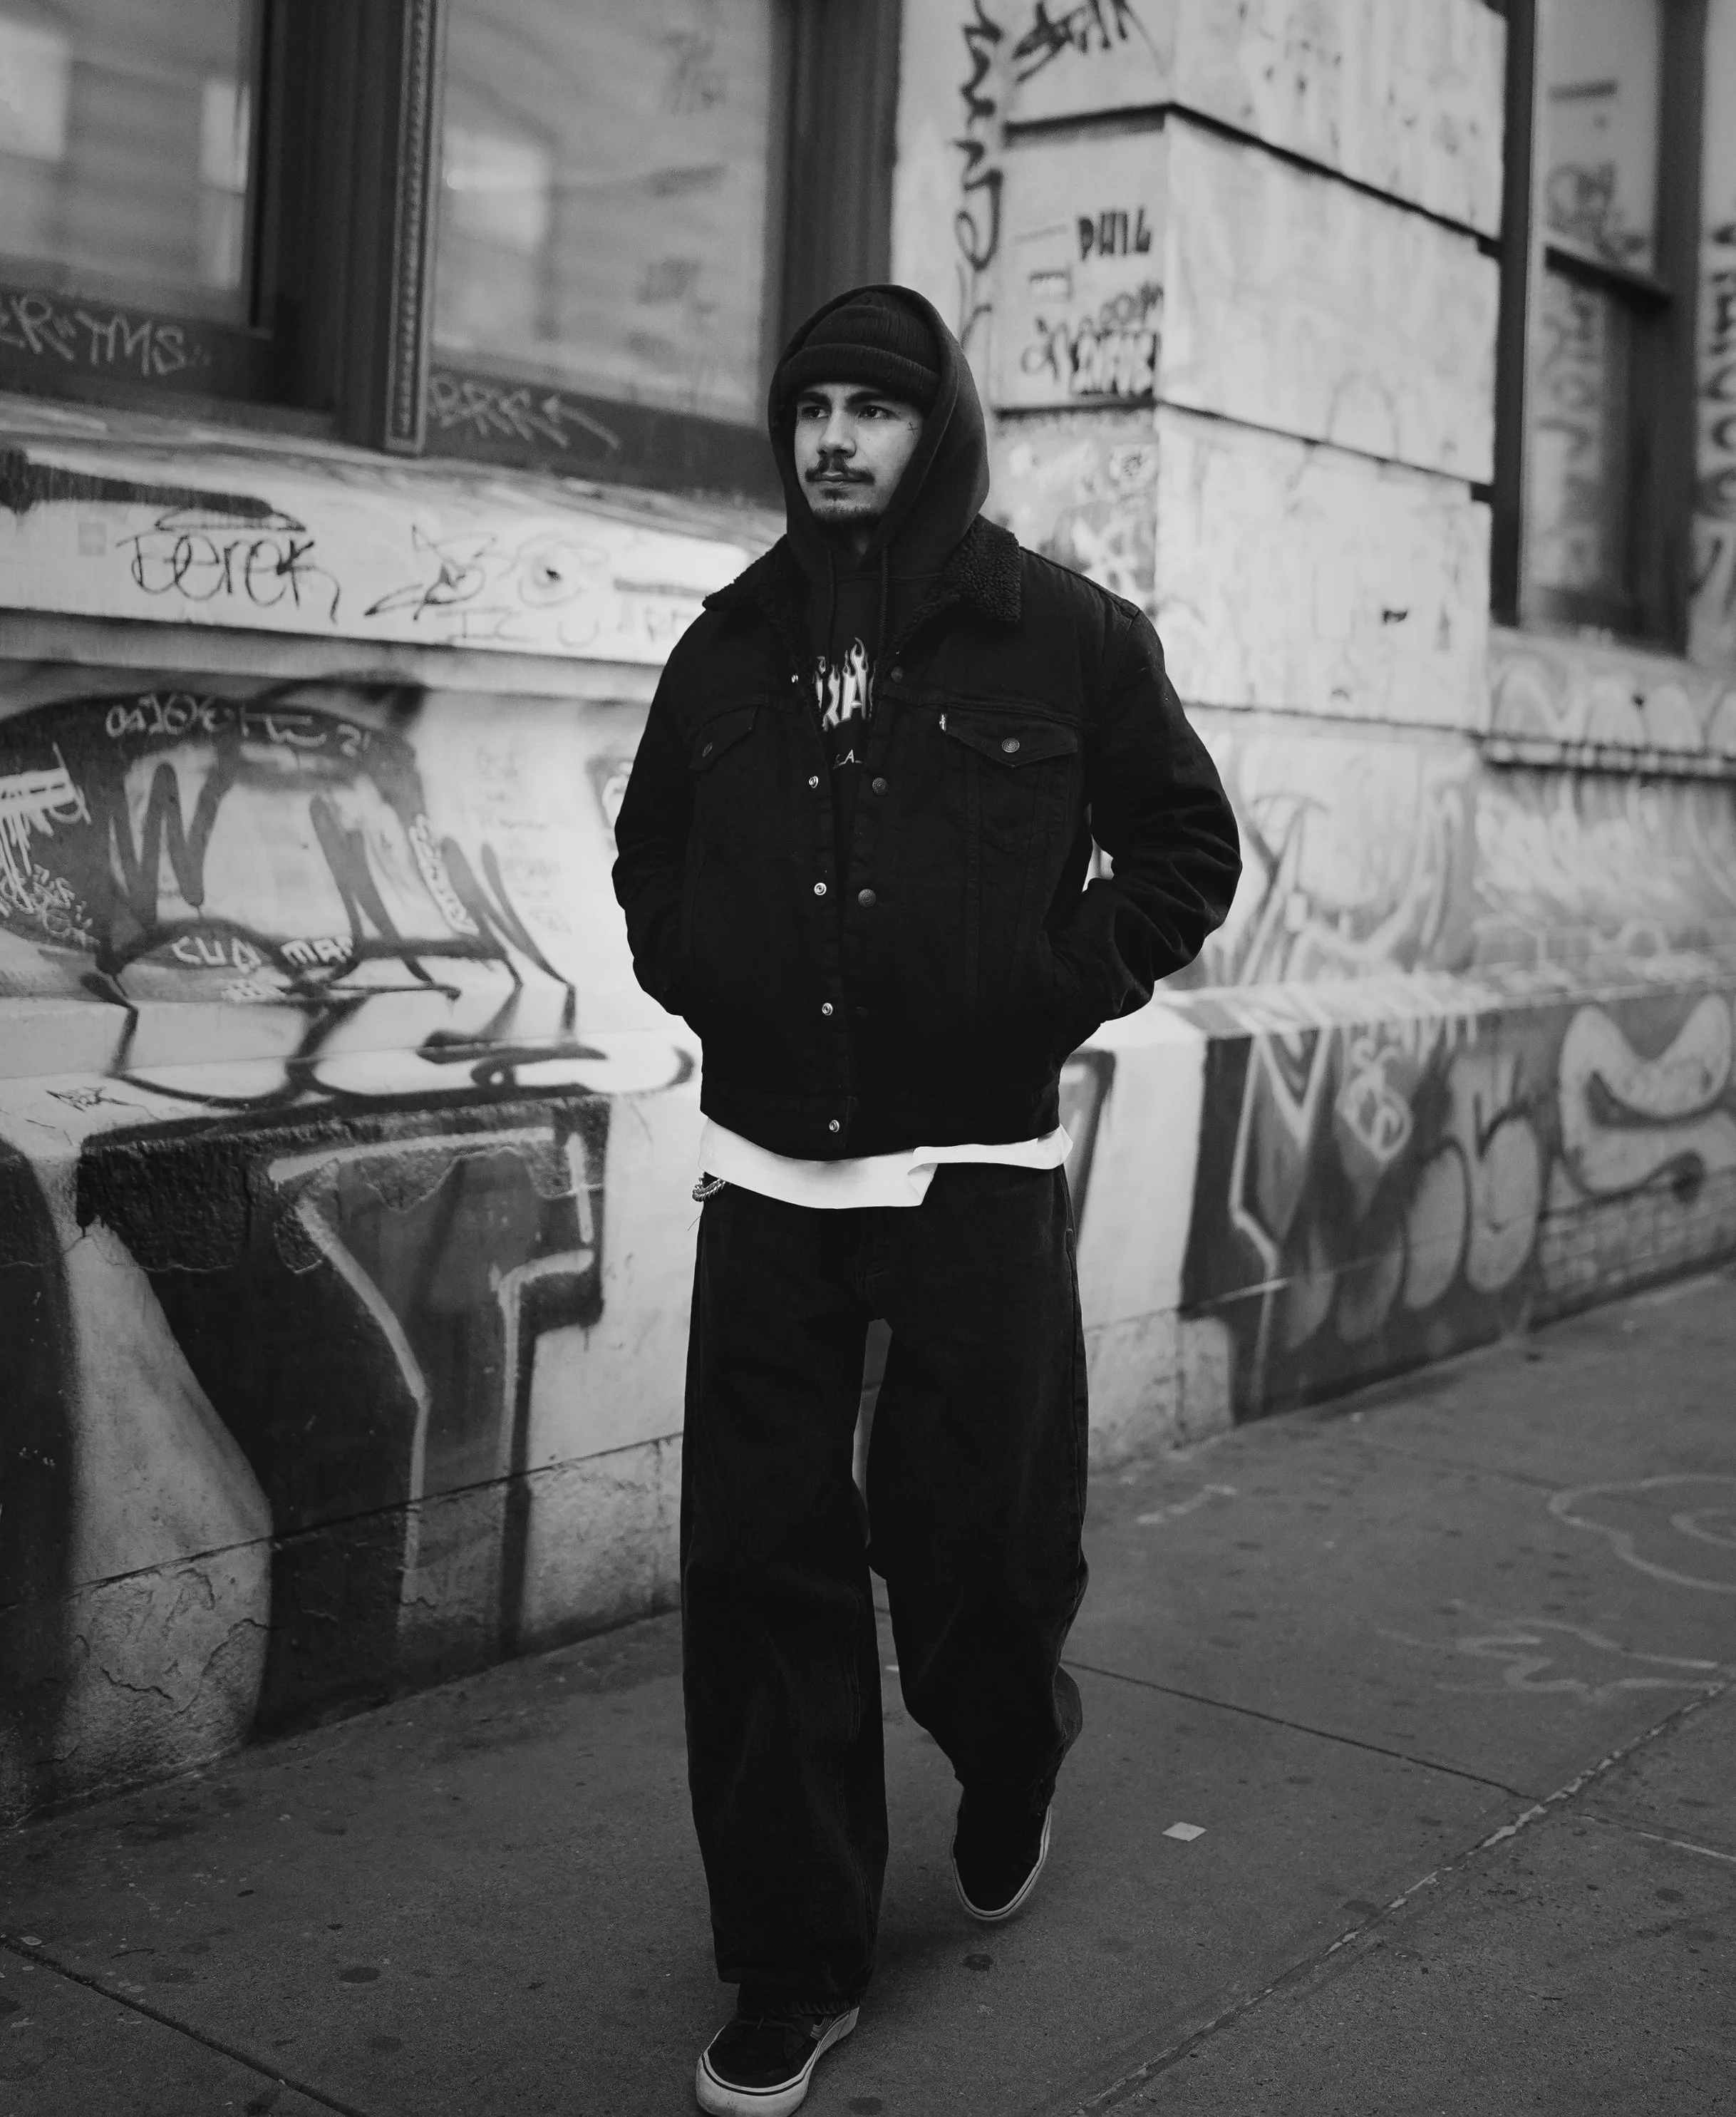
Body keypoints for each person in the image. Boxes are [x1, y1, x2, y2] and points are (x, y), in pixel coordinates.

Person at [612, 284, 1241, 2117]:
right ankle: (795, 1961)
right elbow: (651, 855)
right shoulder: (730, 646)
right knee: (758, 1568)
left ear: (934, 425)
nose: (833, 440)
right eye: (809, 407)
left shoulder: (1061, 635)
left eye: (871, 410)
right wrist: (704, 968)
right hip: (767, 1174)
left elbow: (1185, 848)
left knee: (968, 1550)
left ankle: (1009, 1736)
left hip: (971, 1168)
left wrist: (1048, 986)